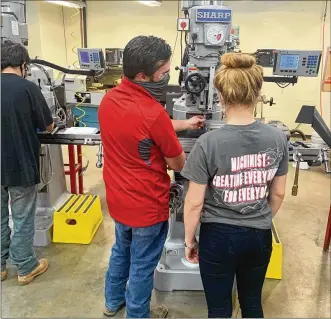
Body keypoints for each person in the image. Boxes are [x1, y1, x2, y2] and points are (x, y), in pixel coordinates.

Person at [98, 35, 205, 318]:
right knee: (144, 264)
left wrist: (184, 123)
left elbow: (144, 124)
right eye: (163, 73)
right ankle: (137, 313)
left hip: (118, 200)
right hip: (147, 204)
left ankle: (112, 302)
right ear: (143, 76)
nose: (167, 76)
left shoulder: (109, 100)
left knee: (121, 250)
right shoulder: (153, 113)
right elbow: (177, 162)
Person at [181, 53, 288, 318]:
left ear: (220, 96)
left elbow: (194, 202)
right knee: (252, 305)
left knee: (219, 310)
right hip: (258, 236)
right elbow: (278, 192)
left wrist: (189, 240)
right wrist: (259, 219)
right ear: (257, 93)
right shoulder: (277, 138)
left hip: (217, 237)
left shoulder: (208, 142)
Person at [1, 41, 54, 285]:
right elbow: (48, 125)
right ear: (23, 65)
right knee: (21, 217)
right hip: (19, 164)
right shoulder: (27, 88)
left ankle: (1, 266)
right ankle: (25, 266)